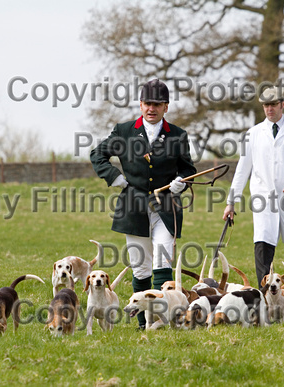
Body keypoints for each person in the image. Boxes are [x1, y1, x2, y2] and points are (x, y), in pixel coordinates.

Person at [90, 78, 196, 329]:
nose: (152, 108)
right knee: (140, 266)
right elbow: (97, 154)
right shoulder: (124, 131)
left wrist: (182, 181)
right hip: (133, 206)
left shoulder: (178, 135)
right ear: (140, 105)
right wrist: (114, 177)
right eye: (148, 103)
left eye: (158, 104)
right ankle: (141, 322)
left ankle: (163, 320)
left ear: (166, 107)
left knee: (161, 260)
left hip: (165, 207)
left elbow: (187, 168)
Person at [223, 85, 284, 287]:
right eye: (266, 105)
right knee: (263, 242)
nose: (270, 109)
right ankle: (264, 287)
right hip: (263, 198)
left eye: (274, 104)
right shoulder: (253, 134)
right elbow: (242, 169)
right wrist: (231, 202)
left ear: (282, 104)